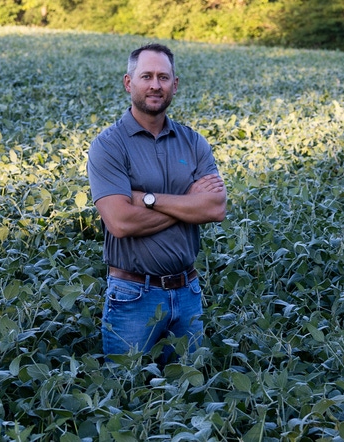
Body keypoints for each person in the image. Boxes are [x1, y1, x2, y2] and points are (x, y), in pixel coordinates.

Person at [87, 43, 227, 362]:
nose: (155, 85)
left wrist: (147, 199)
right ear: (128, 82)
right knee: (126, 396)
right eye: (146, 76)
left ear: (174, 85)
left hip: (188, 292)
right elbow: (120, 222)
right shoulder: (108, 146)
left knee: (189, 395)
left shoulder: (193, 142)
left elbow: (215, 207)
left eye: (163, 77)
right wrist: (189, 205)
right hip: (133, 296)